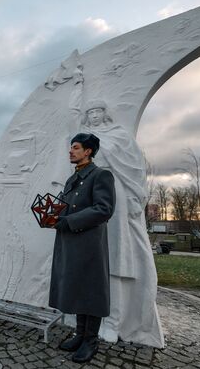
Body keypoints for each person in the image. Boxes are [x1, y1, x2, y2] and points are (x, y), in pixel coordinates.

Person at [80, 100, 163, 346]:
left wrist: (135, 197)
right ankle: (84, 322)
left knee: (115, 258)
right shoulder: (87, 140)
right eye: (90, 112)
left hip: (114, 193)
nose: (93, 116)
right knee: (88, 258)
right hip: (90, 191)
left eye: (97, 111)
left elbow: (134, 167)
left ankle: (113, 321)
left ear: (105, 114)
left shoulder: (118, 136)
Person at [49, 133, 115, 363]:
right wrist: (52, 215)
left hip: (89, 244)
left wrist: (71, 221)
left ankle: (90, 341)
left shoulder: (101, 175)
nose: (70, 151)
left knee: (91, 291)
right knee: (77, 287)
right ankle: (79, 334)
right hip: (69, 241)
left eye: (75, 148)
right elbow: (65, 207)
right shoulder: (72, 178)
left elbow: (104, 209)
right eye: (71, 147)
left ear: (88, 151)